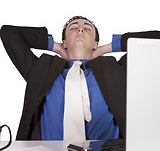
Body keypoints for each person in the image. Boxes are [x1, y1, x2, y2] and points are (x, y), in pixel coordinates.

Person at [1, 16, 160, 140]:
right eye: (73, 28)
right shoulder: (42, 69)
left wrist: (107, 48)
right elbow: (8, 33)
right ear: (64, 42)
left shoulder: (117, 69)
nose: (80, 30)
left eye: (87, 28)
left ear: (95, 43)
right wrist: (55, 47)